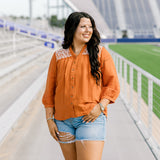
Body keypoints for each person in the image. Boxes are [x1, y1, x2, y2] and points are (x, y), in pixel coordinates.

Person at [42, 12, 120, 160]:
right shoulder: (58, 56)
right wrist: (49, 120)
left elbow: (113, 85)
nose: (88, 30)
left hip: (91, 119)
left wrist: (101, 107)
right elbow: (49, 91)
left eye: (90, 27)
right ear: (72, 29)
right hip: (62, 122)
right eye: (83, 26)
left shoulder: (101, 53)